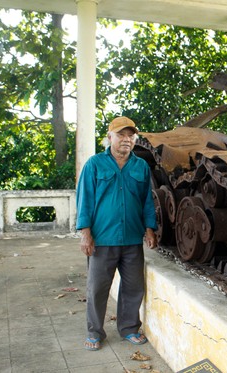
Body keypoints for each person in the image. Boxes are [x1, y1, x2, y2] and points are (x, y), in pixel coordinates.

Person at [76, 116, 158, 351]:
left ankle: (129, 328)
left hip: (132, 238)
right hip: (102, 239)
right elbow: (85, 200)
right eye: (121, 135)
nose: (126, 139)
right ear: (109, 137)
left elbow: (147, 202)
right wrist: (85, 233)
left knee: (133, 287)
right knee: (97, 288)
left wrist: (150, 229)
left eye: (131, 136)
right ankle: (94, 332)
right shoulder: (94, 164)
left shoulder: (140, 166)